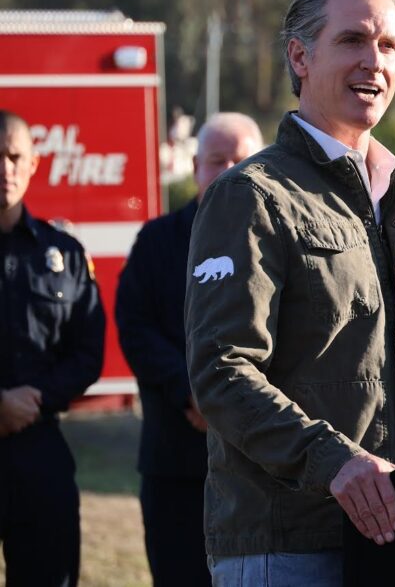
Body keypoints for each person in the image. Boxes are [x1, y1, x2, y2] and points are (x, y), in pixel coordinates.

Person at [184, 0, 395, 583]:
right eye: (352, 40)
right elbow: (222, 371)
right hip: (289, 546)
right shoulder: (252, 194)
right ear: (300, 57)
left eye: (388, 45)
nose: (373, 61)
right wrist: (334, 463)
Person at [115, 112, 263, 587]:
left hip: (262, 469)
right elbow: (135, 327)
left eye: (241, 160)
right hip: (175, 460)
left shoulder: (282, 241)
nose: (228, 169)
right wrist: (192, 392)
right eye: (216, 159)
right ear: (196, 166)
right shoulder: (157, 242)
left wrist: (233, 402)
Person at [0, 110, 104, 586]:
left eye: (14, 156)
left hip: (39, 450)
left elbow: (87, 351)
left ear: (33, 163)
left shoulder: (64, 254)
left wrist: (33, 399)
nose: (5, 169)